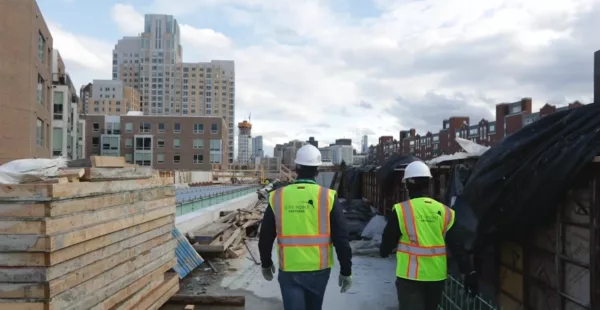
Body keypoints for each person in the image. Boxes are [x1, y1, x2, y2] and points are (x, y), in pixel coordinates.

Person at [258, 144, 353, 310]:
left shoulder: (278, 196)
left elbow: (265, 236)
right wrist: (346, 270)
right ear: (317, 170)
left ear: (296, 168)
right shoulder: (328, 197)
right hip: (319, 270)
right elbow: (341, 238)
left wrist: (265, 263)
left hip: (290, 269)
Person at [379, 160, 478, 310]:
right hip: (436, 277)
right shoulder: (445, 212)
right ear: (428, 184)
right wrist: (468, 272)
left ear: (408, 185)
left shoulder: (402, 211)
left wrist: (384, 251)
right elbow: (457, 246)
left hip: (410, 277)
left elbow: (388, 240)